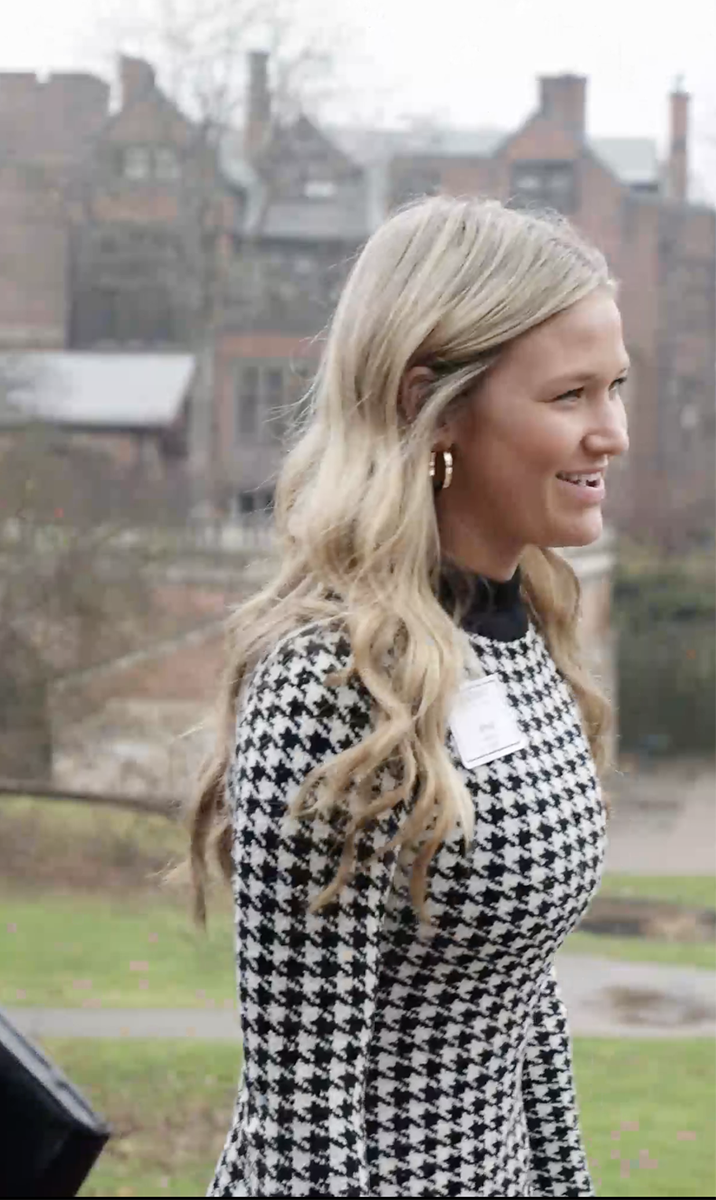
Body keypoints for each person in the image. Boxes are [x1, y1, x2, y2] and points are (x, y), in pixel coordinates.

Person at [191, 196, 628, 1196]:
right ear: (429, 405)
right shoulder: (330, 683)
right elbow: (300, 1120)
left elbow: (522, 993)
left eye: (617, 388)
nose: (613, 434)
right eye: (569, 396)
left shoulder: (530, 634)